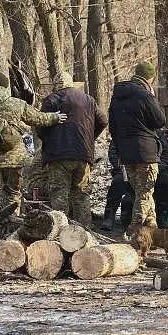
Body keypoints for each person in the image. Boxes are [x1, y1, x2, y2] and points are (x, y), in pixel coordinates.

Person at [0, 72, 66, 218]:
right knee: (14, 194)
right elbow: (39, 118)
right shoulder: (17, 104)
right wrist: (55, 117)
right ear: (6, 86)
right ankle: (13, 224)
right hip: (15, 160)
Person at [39, 72, 107, 228]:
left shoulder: (51, 100)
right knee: (81, 195)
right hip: (83, 155)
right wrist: (90, 138)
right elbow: (103, 120)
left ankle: (60, 232)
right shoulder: (88, 99)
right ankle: (86, 233)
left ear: (56, 85)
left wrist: (48, 140)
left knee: (59, 195)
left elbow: (40, 127)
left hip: (58, 156)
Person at [108, 61, 166, 231]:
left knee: (142, 193)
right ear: (150, 77)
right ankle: (135, 232)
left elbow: (112, 127)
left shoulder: (117, 96)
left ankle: (152, 232)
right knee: (144, 194)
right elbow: (160, 120)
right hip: (146, 153)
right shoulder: (145, 95)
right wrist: (153, 98)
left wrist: (119, 150)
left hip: (126, 155)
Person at [100, 140, 133, 231]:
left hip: (141, 170)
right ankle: (109, 217)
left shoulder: (150, 130)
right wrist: (118, 166)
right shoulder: (120, 130)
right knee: (117, 184)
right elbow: (113, 151)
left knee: (131, 195)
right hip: (122, 169)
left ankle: (127, 218)